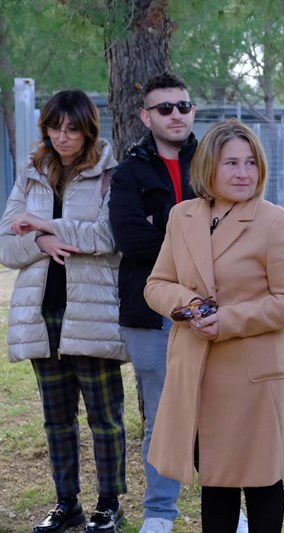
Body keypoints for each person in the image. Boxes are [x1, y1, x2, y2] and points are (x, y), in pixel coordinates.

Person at [142, 119, 284, 533]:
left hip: (253, 379)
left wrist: (229, 320)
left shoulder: (276, 222)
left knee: (261, 482)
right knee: (214, 484)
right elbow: (156, 285)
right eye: (231, 164)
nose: (244, 173)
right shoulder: (182, 216)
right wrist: (189, 307)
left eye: (251, 163)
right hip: (198, 375)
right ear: (208, 168)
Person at [0, 90, 127, 532]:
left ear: (88, 128)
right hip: (41, 314)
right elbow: (5, 243)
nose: (62, 136)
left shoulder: (110, 175)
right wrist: (41, 242)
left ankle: (109, 503)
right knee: (56, 418)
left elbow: (106, 237)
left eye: (71, 128)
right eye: (55, 128)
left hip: (90, 312)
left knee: (103, 416)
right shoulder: (32, 173)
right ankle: (66, 503)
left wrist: (43, 224)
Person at [108, 71, 197, 533]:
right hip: (151, 312)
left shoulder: (215, 161)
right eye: (165, 108)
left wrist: (159, 226)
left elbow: (235, 230)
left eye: (183, 106)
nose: (176, 115)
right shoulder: (128, 173)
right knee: (162, 416)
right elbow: (130, 239)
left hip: (211, 307)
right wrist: (195, 239)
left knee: (220, 413)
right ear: (146, 116)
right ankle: (160, 514)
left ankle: (229, 506)